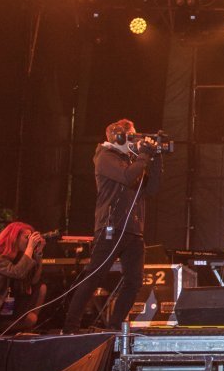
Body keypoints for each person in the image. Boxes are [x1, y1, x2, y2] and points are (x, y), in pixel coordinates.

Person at [62, 119, 162, 333]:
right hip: (112, 227)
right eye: (132, 136)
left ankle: (114, 326)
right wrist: (143, 156)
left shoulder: (133, 162)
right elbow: (127, 177)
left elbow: (152, 189)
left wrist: (155, 158)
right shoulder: (105, 156)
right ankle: (70, 326)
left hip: (134, 230)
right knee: (95, 275)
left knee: (134, 281)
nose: (135, 141)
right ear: (119, 137)